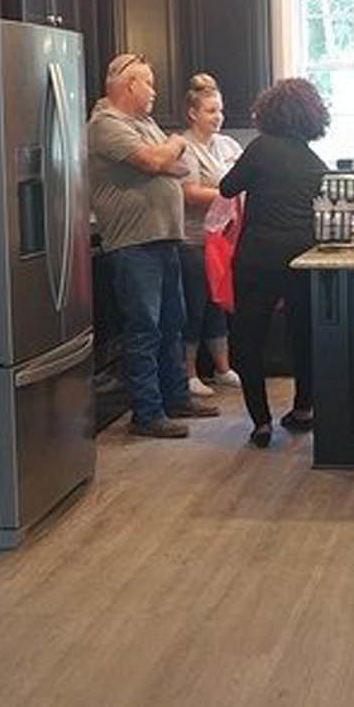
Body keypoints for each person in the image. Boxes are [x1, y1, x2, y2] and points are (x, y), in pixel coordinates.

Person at [87, 53, 221, 438]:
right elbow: (153, 161)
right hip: (133, 244)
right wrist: (173, 146)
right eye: (149, 83)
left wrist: (166, 156)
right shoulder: (105, 124)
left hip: (162, 238)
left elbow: (176, 167)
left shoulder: (143, 123)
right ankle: (147, 413)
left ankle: (175, 397)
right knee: (144, 329)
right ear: (130, 85)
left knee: (173, 324)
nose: (154, 91)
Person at [218, 78, 329, 448]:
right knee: (303, 335)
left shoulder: (260, 148)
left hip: (258, 257)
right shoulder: (314, 161)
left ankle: (261, 422)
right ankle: (304, 410)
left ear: (268, 111)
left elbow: (227, 187)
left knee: (248, 338)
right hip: (301, 258)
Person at [177, 73, 243, 397]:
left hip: (225, 241)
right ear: (193, 113)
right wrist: (229, 194)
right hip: (194, 241)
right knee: (195, 306)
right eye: (210, 111)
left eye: (220, 110)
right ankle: (189, 373)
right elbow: (190, 193)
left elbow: (247, 177)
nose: (218, 117)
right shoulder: (184, 147)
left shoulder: (228, 145)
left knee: (218, 303)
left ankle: (222, 368)